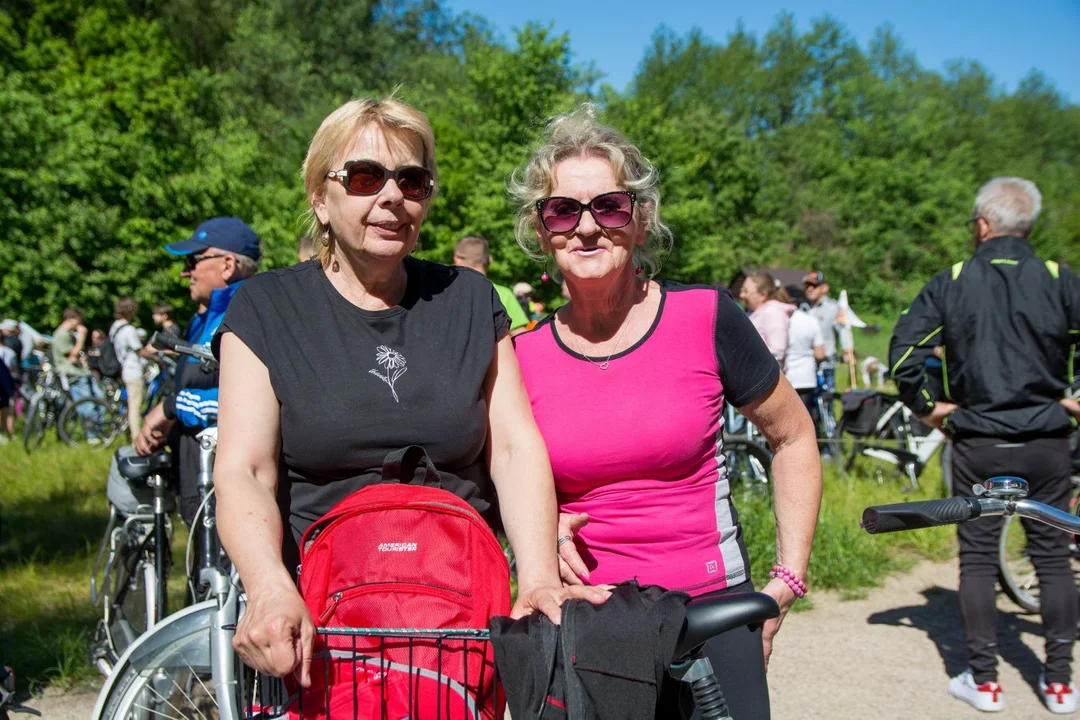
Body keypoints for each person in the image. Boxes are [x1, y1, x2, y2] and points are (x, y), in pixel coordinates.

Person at [210, 96, 610, 685]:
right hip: (328, 619)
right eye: (366, 177)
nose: (392, 197)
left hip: (460, 613)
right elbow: (245, 470)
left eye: (413, 180)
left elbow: (514, 447)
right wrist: (267, 587)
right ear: (320, 197)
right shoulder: (266, 309)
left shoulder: (470, 301)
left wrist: (539, 578)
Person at [509, 105, 822, 720]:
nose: (588, 228)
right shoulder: (519, 356)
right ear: (541, 231)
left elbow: (793, 438)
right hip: (587, 625)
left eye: (610, 206)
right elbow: (493, 480)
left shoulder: (705, 318)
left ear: (641, 219)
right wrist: (536, 532)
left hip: (710, 612)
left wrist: (788, 580)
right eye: (563, 210)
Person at [890, 176, 1080, 714]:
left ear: (981, 226)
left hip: (980, 440)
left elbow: (904, 357)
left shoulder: (952, 279)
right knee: (1052, 558)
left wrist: (931, 408)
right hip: (1047, 441)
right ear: (1030, 226)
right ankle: (1061, 684)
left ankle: (985, 681)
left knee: (976, 558)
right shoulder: (1060, 278)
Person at [134, 217, 262, 525]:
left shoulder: (249, 315)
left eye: (193, 261)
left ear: (228, 264)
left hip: (233, 496)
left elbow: (252, 403)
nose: (185, 272)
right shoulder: (205, 318)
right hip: (199, 481)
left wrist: (172, 407)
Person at [452, 236, 532, 334]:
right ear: (490, 260)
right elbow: (520, 334)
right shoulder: (502, 293)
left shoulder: (445, 291)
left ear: (456, 259)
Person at [801, 271, 854, 387]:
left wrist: (847, 349)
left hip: (825, 364)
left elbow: (843, 328)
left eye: (814, 286)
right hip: (805, 364)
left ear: (824, 288)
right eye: (807, 286)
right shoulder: (802, 309)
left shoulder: (834, 308)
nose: (810, 289)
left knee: (825, 400)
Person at [739, 271, 795, 364]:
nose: (742, 295)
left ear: (763, 295)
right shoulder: (754, 312)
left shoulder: (773, 312)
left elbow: (777, 352)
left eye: (746, 291)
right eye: (742, 290)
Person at [110, 298, 146, 439]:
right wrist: (156, 357)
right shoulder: (129, 330)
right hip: (133, 370)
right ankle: (136, 438)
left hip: (123, 369)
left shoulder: (115, 328)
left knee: (129, 404)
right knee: (135, 407)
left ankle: (128, 433)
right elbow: (139, 350)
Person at [785, 306, 825, 418]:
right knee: (805, 416)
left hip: (784, 374)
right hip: (805, 376)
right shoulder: (810, 320)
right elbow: (820, 353)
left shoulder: (778, 319)